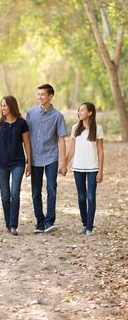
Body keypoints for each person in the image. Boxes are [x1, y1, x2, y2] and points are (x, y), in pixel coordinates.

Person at [26, 84, 67, 234]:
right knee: (36, 191)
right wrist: (27, 160)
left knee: (51, 188)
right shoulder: (30, 113)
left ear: (50, 96)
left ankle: (50, 221)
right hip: (35, 158)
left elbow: (62, 139)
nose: (40, 97)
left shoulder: (58, 116)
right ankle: (39, 222)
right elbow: (25, 137)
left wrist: (63, 162)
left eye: (43, 94)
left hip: (51, 157)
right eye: (38, 94)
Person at [61, 102, 104, 236]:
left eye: (82, 110)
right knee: (81, 197)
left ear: (90, 113)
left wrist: (101, 171)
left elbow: (100, 151)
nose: (79, 112)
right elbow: (72, 148)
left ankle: (90, 227)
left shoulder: (98, 129)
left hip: (93, 167)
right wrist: (64, 164)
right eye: (78, 111)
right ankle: (85, 224)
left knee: (91, 197)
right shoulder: (75, 128)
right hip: (78, 167)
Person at [0, 96, 31, 236]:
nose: (2, 108)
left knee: (15, 193)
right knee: (5, 195)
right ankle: (8, 224)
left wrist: (29, 163)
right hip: (1, 163)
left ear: (12, 107)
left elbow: (26, 144)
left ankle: (13, 225)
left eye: (5, 106)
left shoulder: (22, 123)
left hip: (18, 163)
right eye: (1, 106)